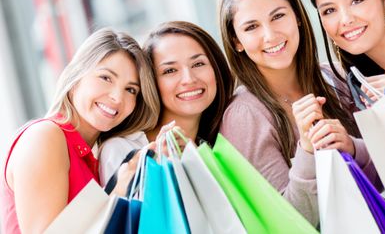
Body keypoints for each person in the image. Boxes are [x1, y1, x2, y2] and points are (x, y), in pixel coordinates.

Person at [218, 0, 380, 227]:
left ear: (297, 17)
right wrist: (307, 150)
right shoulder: (244, 115)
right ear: (236, 41)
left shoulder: (334, 77)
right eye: (251, 27)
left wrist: (351, 147)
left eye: (278, 16)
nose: (270, 35)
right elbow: (289, 224)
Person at [0, 28, 158, 233]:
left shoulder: (90, 158)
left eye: (130, 90)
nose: (118, 97)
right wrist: (118, 192)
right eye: (106, 78)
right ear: (76, 78)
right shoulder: (45, 137)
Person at [98, 21, 234, 185]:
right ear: (151, 83)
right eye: (170, 70)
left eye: (198, 64)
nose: (189, 79)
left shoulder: (224, 145)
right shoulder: (122, 151)